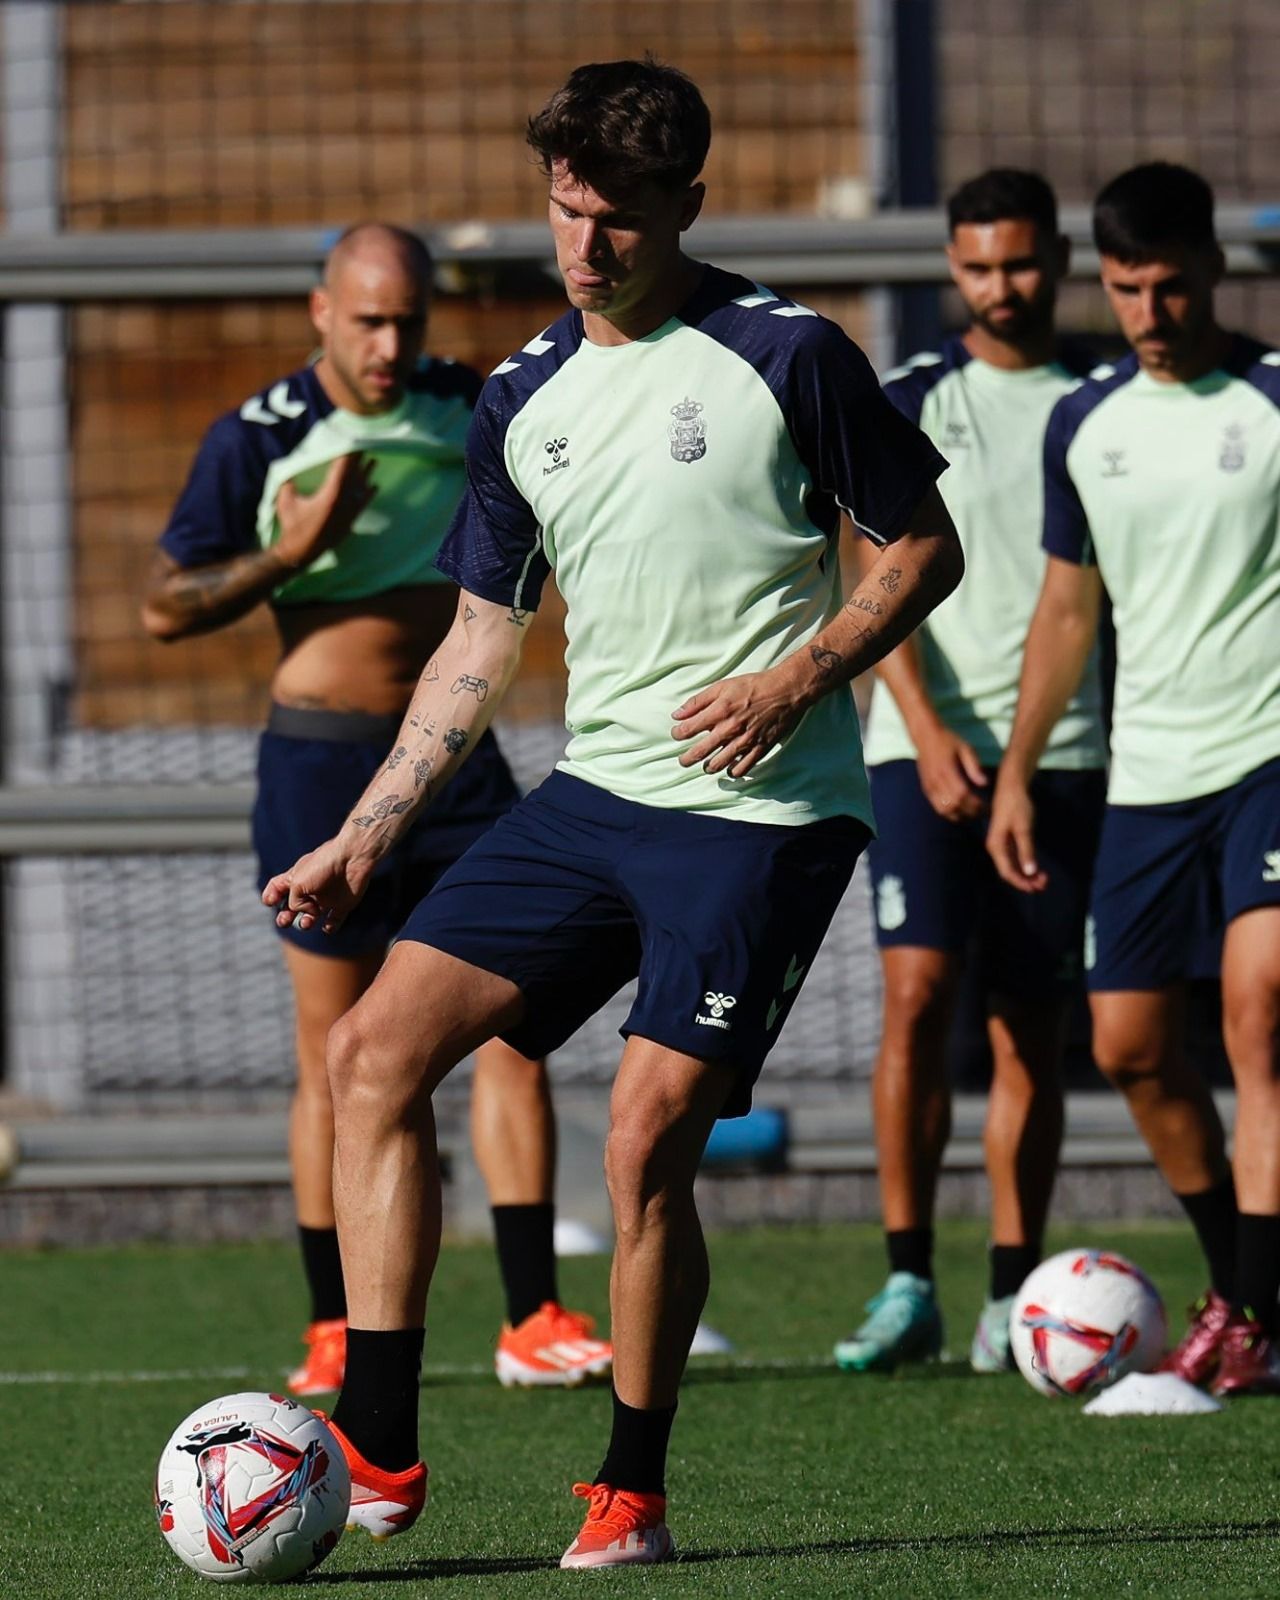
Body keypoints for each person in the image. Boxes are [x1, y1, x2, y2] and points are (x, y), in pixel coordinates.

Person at [264, 59, 962, 1567]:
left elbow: (921, 547)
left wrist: (801, 677)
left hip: (767, 812)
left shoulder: (788, 356)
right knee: (369, 1050)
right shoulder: (523, 395)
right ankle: (379, 1448)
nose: (584, 250)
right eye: (567, 212)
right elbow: (476, 639)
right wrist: (369, 831)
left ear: (684, 210)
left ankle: (631, 1487)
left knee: (645, 1141)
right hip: (595, 797)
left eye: (620, 223)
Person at [141, 223, 611, 1397]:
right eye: (367, 320)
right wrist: (290, 549)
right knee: (334, 1051)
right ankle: (334, 1325)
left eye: (407, 319)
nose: (389, 343)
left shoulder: (478, 402)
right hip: (319, 761)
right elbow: (165, 605)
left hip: (455, 764)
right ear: (321, 311)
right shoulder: (260, 436)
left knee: (510, 1031)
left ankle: (530, 1313)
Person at [988, 162, 1280, 1395]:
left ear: (1212, 269)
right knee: (1127, 1048)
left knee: (1258, 1016)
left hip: (1267, 752)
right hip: (1144, 774)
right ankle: (1240, 1283)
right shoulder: (1084, 421)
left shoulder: (1271, 399)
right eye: (1123, 290)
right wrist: (1015, 767)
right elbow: (1065, 607)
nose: (1147, 313)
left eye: (1167, 286)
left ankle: (1254, 1318)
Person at [834, 171, 1105, 1377]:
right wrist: (925, 720)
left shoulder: (1101, 403)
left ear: (1056, 260)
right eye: (978, 265)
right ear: (952, 268)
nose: (1001, 286)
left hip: (1059, 753)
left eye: (1021, 262)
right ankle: (906, 1281)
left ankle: (1012, 1289)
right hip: (919, 746)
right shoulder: (910, 397)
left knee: (1026, 1026)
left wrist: (1020, 759)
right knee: (915, 995)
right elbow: (868, 567)